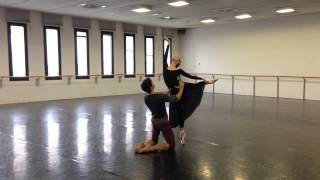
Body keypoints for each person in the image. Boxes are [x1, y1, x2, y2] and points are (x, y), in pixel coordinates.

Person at [163, 37, 218, 145]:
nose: (176, 56)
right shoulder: (165, 67)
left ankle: (182, 132)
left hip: (180, 91)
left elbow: (190, 76)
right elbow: (164, 56)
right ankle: (181, 132)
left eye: (178, 57)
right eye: (176, 56)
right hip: (173, 92)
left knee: (192, 88)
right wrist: (168, 43)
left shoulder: (179, 70)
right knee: (176, 113)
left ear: (178, 61)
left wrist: (201, 79)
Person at [135, 78, 185, 154]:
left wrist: (167, 93)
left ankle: (142, 145)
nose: (153, 82)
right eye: (152, 82)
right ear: (151, 87)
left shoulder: (146, 98)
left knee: (154, 140)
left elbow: (157, 98)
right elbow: (176, 98)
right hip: (163, 122)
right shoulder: (159, 97)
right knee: (171, 145)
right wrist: (182, 88)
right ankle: (151, 148)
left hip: (154, 121)